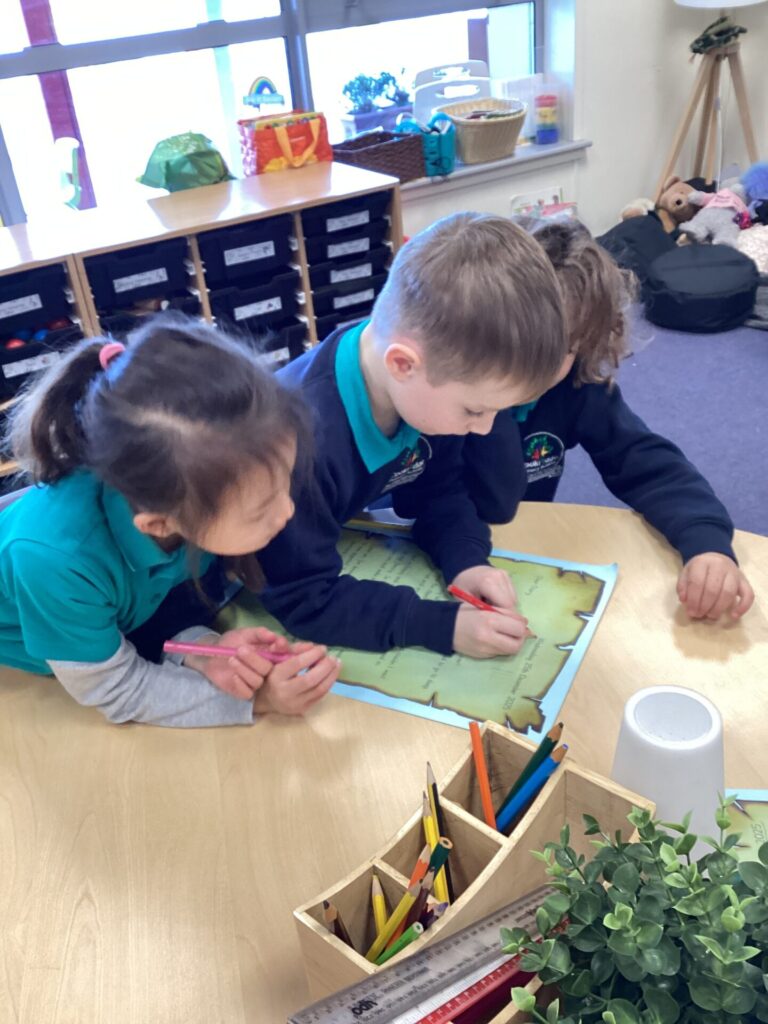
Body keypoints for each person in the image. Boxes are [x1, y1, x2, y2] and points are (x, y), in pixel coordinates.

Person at [0, 314, 340, 726]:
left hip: (94, 628)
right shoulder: (55, 560)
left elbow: (155, 606)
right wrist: (258, 703)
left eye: (285, 484)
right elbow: (115, 688)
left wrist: (201, 649)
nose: (287, 512)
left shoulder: (181, 493)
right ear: (158, 525)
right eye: (260, 510)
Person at [258, 212, 568, 658]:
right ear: (403, 364)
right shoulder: (300, 442)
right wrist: (437, 626)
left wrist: (465, 560)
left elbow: (440, 491)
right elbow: (302, 595)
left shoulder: (421, 393)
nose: (485, 429)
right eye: (476, 410)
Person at [463, 219, 754, 622]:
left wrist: (707, 544)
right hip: (441, 551)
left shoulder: (575, 385)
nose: (534, 368)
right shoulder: (452, 390)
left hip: (521, 554)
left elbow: (647, 464)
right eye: (523, 345)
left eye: (561, 350)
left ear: (585, 343)